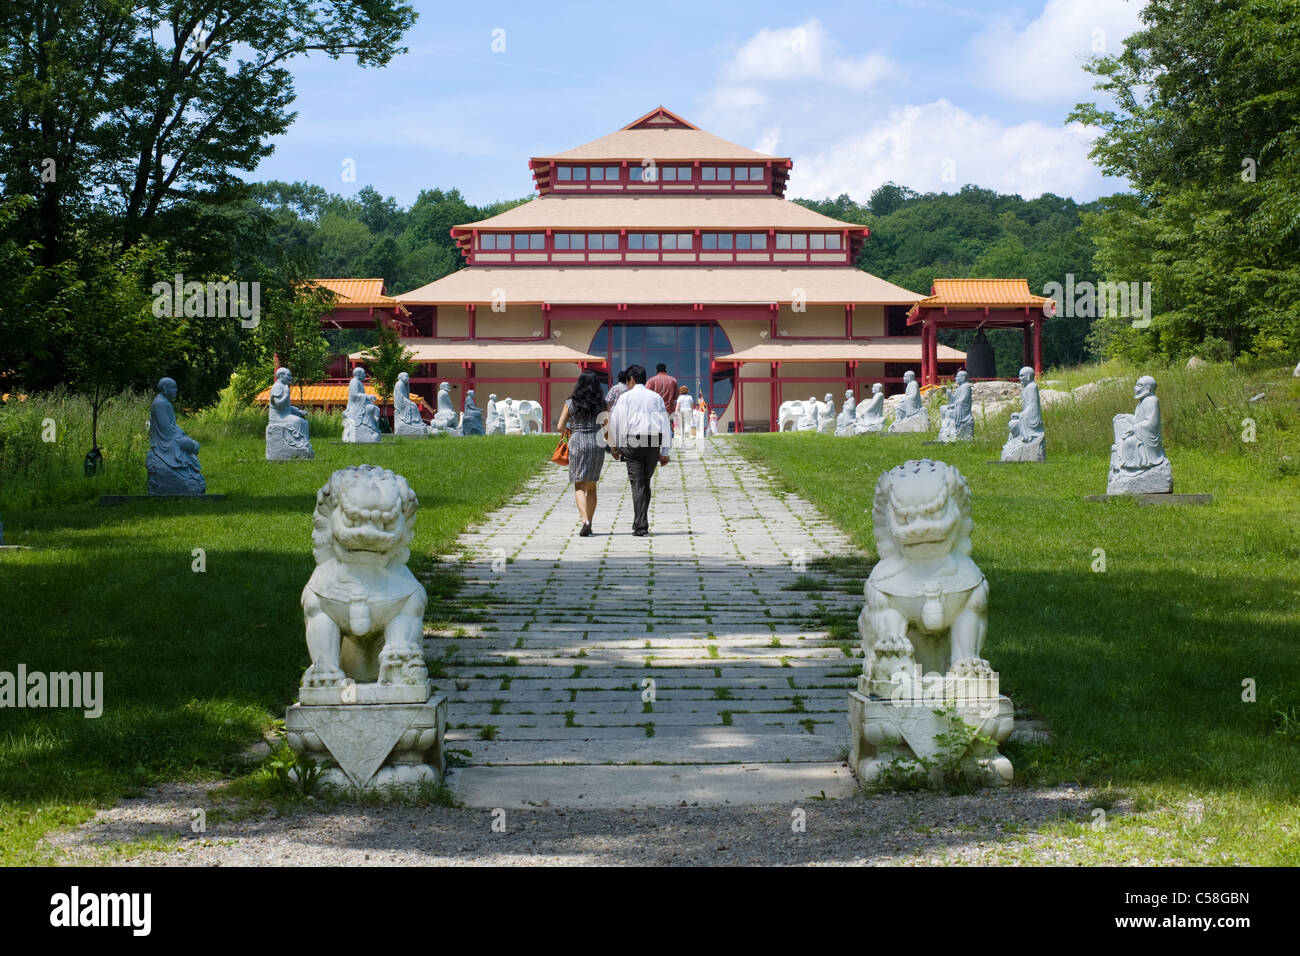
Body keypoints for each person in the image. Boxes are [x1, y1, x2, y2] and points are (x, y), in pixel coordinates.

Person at [609, 364, 672, 537]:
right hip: (653, 442)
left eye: (628, 381)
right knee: (645, 481)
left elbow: (615, 422)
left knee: (638, 483)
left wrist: (614, 447)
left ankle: (641, 524)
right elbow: (664, 423)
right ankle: (641, 522)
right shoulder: (656, 397)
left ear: (631, 380)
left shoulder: (625, 398)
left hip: (633, 442)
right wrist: (665, 451)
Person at [555, 369, 609, 537]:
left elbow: (559, 427)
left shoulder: (571, 403)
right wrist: (613, 448)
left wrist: (572, 431)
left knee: (579, 485)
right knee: (591, 486)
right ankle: (590, 523)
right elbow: (607, 429)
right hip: (596, 442)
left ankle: (584, 520)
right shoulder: (602, 403)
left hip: (577, 442)